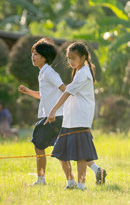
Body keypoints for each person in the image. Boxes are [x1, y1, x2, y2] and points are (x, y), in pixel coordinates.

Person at [45, 41, 107, 190]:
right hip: (70, 119)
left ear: (83, 57)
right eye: (68, 58)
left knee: (80, 155)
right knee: (61, 152)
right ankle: (86, 176)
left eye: (73, 58)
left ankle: (81, 186)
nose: (70, 61)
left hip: (79, 119)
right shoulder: (79, 72)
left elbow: (67, 92)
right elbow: (68, 91)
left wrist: (53, 111)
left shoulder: (84, 73)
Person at [18, 38, 65, 186]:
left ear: (44, 57)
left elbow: (65, 90)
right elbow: (42, 95)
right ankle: (96, 170)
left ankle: (41, 179)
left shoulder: (49, 73)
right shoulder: (43, 73)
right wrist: (27, 91)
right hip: (52, 115)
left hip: (51, 117)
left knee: (39, 145)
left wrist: (55, 110)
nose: (33, 56)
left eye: (36, 54)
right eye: (33, 53)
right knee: (63, 148)